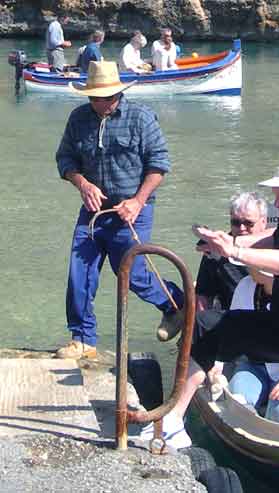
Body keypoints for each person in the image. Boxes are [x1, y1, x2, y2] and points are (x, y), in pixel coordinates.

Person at [141, 158, 279, 448]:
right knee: (206, 325)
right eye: (276, 197)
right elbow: (272, 237)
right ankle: (175, 420)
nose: (278, 205)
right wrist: (226, 244)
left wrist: (236, 253)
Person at [55, 61, 184, 360]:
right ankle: (83, 338)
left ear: (116, 93)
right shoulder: (78, 119)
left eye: (105, 97)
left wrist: (138, 201)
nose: (99, 103)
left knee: (133, 273)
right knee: (79, 272)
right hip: (94, 211)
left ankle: (176, 304)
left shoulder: (141, 118)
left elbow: (159, 163)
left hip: (133, 211)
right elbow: (65, 158)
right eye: (94, 97)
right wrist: (83, 184)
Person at [227, 267, 279, 426]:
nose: (248, 267)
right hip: (256, 365)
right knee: (238, 402)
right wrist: (216, 364)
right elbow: (229, 329)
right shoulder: (245, 286)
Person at [195, 192, 268, 314]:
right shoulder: (215, 251)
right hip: (231, 318)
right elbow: (203, 296)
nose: (242, 228)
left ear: (263, 222)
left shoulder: (278, 246)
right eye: (236, 222)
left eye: (248, 223)